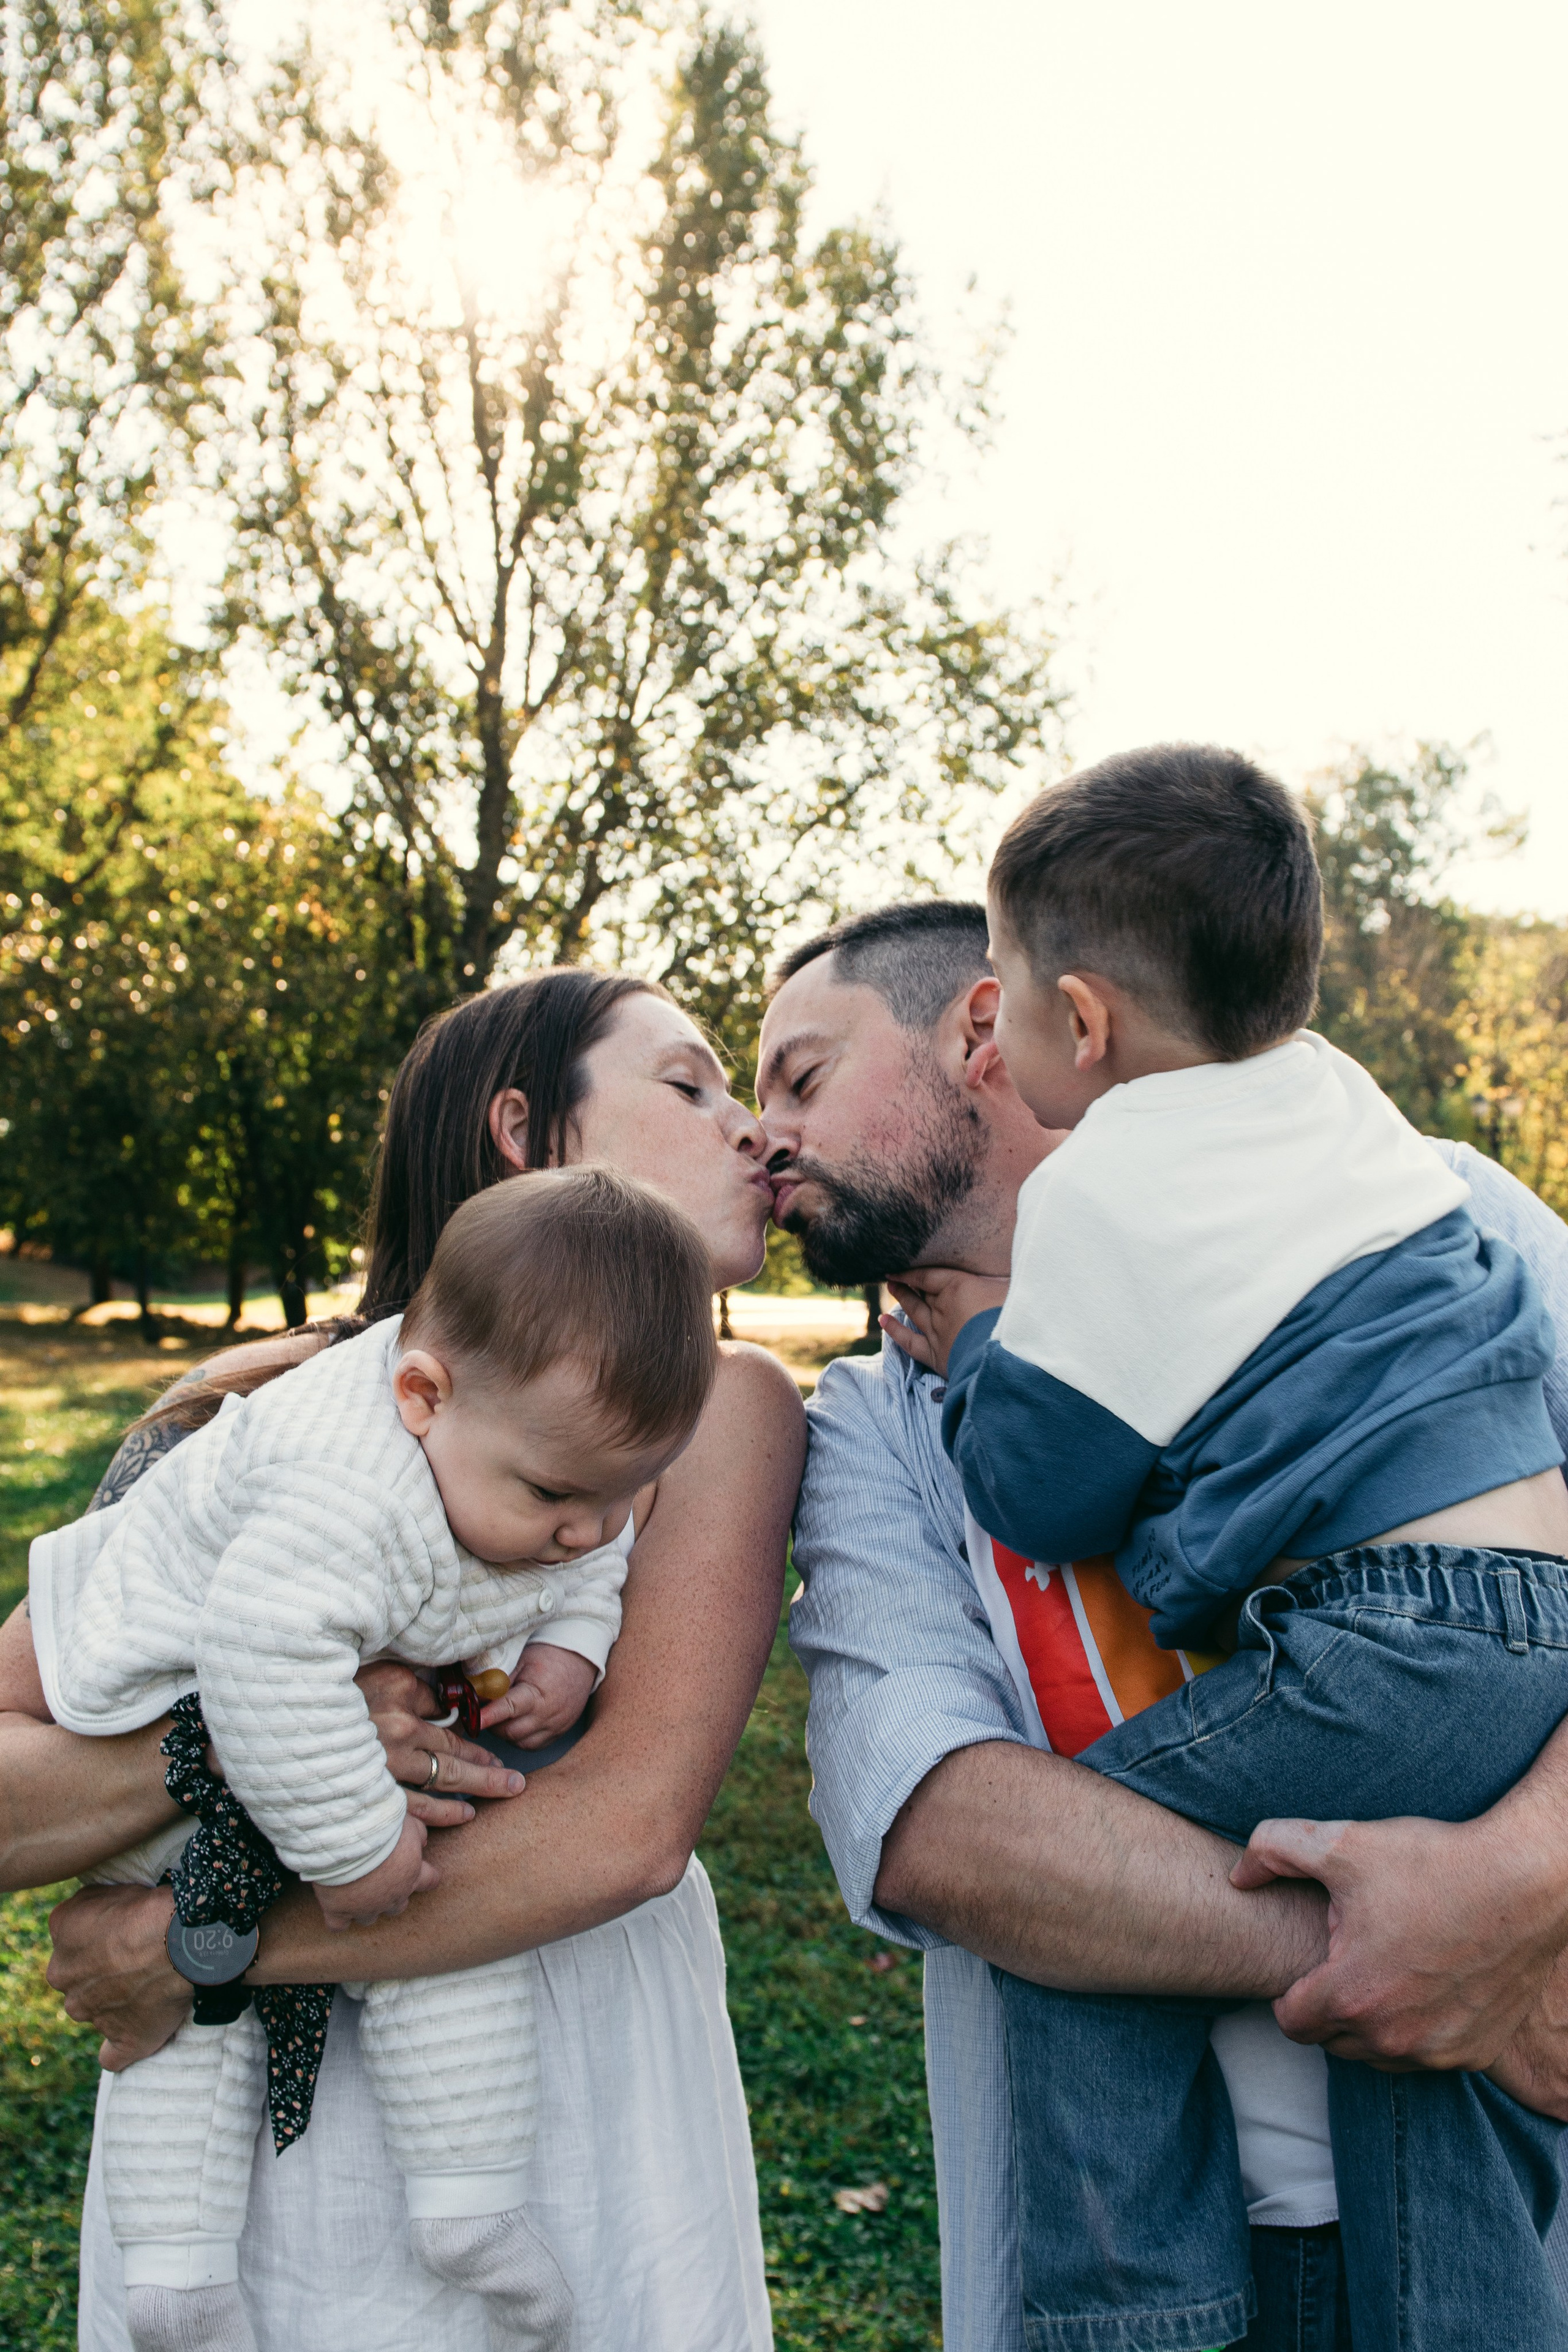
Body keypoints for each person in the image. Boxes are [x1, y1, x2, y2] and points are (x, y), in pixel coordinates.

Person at [755, 896, 1568, 2352]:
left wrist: (1520, 1873)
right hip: (1184, 2253)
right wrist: (1421, 1954)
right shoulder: (875, 1427)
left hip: (1510, 2218)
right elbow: (943, 1831)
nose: (763, 1139)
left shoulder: (1411, 1210)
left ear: (982, 1029)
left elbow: (1514, 1597)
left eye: (801, 1078)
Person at [2, 968, 805, 2352]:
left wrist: (197, 1946)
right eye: (689, 1085)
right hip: (266, 2161)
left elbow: (624, 1831)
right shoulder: (246, 1413)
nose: (757, 1131)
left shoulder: (725, 1409)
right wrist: (235, 1734)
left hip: (555, 2087)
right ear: (521, 1131)